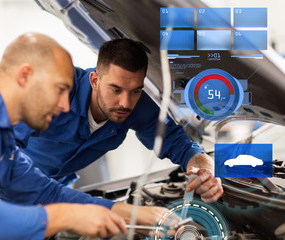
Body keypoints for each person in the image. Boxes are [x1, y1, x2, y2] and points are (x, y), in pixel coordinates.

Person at [0, 33, 168, 240]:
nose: (65, 105)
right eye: (60, 89)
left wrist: (126, 212)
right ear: (25, 75)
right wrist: (65, 217)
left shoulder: (0, 133)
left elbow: (47, 192)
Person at [14, 38, 223, 203]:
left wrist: (206, 170)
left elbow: (180, 144)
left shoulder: (137, 105)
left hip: (56, 191)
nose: (125, 103)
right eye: (116, 89)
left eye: (135, 91)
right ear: (95, 80)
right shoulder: (54, 91)